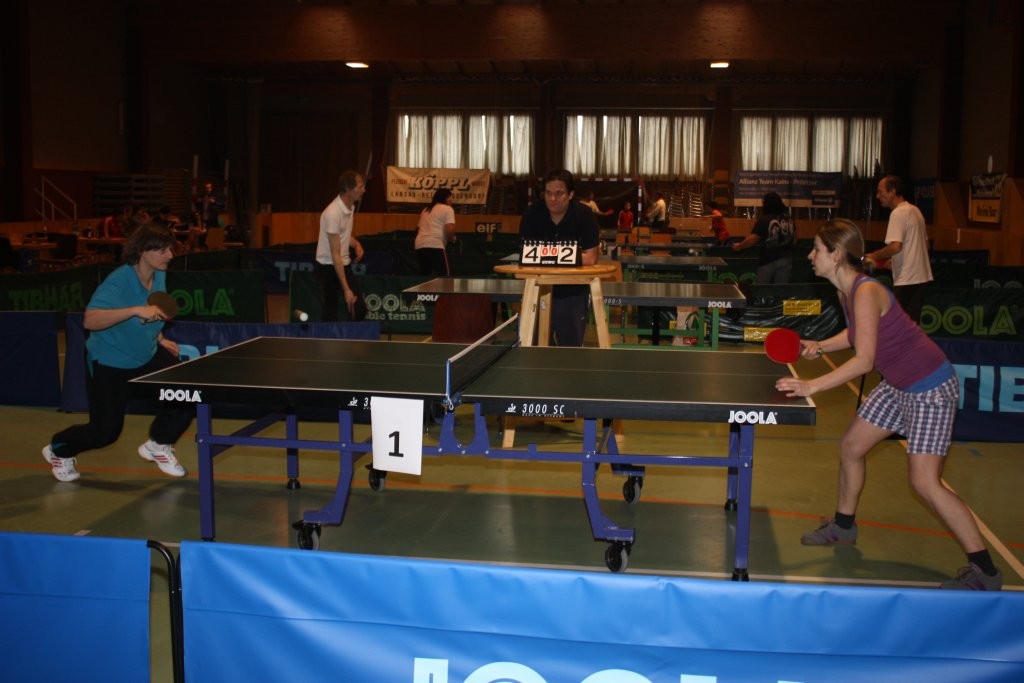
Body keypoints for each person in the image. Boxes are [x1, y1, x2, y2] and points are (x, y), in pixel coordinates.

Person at [776, 219, 1002, 591]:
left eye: (816, 249)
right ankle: (844, 527)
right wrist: (821, 346)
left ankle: (985, 570)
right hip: (898, 385)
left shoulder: (866, 291)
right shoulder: (846, 291)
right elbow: (858, 334)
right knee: (851, 447)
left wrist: (810, 385)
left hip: (929, 388)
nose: (810, 255)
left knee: (925, 482)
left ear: (836, 255)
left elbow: (864, 360)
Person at [41, 223, 192, 482]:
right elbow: (90, 320)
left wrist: (160, 337)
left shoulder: (159, 274)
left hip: (146, 355)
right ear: (143, 251)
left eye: (170, 249)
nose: (170, 255)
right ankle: (59, 448)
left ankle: (158, 444)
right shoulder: (118, 282)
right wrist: (133, 310)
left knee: (187, 392)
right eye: (163, 250)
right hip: (110, 362)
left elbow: (153, 310)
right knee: (105, 433)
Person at [519, 169, 600, 346]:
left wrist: (549, 255)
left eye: (559, 193)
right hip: (537, 290)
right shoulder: (532, 214)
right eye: (548, 193)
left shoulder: (585, 215)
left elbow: (591, 258)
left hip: (573, 294)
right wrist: (566, 256)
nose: (553, 198)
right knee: (534, 351)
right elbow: (526, 256)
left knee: (570, 351)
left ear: (570, 194)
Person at [866, 175, 933, 323]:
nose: (877, 196)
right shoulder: (915, 210)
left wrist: (873, 256)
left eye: (880, 191)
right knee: (912, 323)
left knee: (894, 322)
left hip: (907, 278)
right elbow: (925, 245)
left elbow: (896, 246)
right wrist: (896, 261)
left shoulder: (898, 213)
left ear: (892, 192)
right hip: (922, 276)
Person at [315, 170, 366, 321]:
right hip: (327, 267)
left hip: (343, 263)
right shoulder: (332, 213)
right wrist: (346, 289)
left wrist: (355, 243)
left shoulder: (350, 207)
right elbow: (335, 253)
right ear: (348, 190)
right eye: (360, 187)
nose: (364, 190)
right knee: (330, 315)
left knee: (359, 308)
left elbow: (343, 235)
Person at [732, 191, 796, 283]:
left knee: (762, 288)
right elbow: (794, 240)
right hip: (787, 258)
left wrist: (739, 246)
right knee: (781, 288)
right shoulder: (789, 219)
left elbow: (752, 240)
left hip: (768, 259)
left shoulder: (764, 219)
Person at [414, 188, 456, 276]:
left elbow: (418, 229)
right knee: (445, 276)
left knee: (424, 276)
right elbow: (449, 230)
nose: (452, 199)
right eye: (451, 196)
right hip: (435, 245)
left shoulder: (426, 209)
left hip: (420, 245)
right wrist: (452, 239)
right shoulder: (448, 209)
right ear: (446, 198)